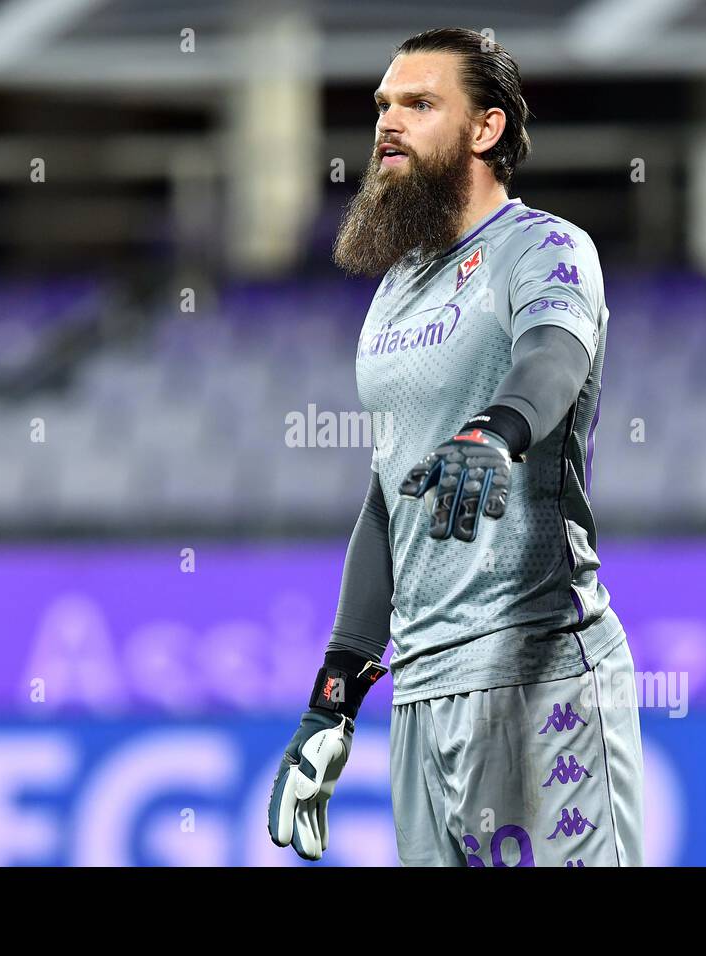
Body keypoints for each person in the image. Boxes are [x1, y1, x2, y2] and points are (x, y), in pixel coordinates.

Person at [268, 27, 644, 867]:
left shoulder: (543, 246)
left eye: (419, 103)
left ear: (488, 129)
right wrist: (332, 702)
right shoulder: (394, 291)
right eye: (383, 106)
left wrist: (496, 429)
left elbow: (554, 357)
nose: (387, 124)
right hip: (421, 694)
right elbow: (386, 498)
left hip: (536, 672)